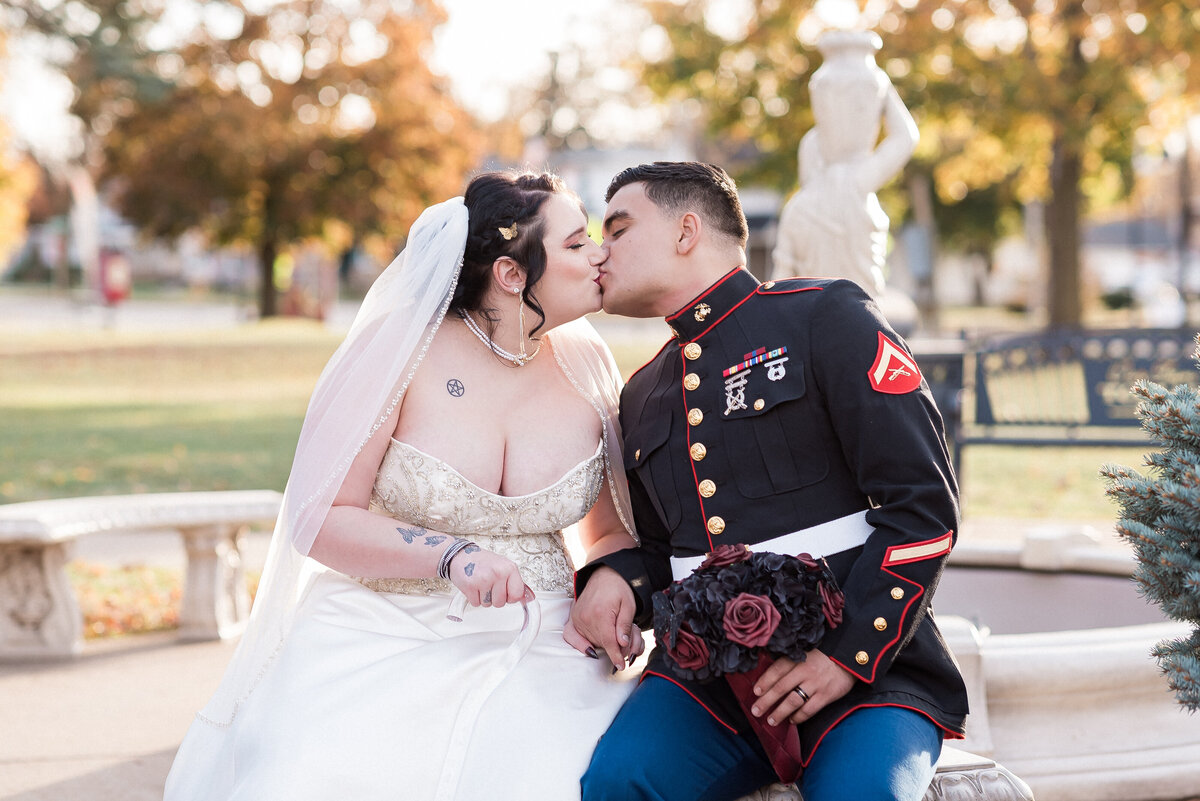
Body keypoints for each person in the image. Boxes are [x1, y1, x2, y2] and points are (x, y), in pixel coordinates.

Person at [164, 172, 642, 801]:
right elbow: (321, 516)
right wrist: (452, 556)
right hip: (386, 625)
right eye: (577, 244)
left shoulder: (589, 366)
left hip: (549, 639)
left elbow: (605, 529)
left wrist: (608, 583)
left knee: (553, 774)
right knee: (317, 773)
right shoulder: (399, 354)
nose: (599, 254)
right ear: (510, 274)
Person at [571, 162, 969, 801]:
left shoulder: (823, 317)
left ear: (686, 231)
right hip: (712, 688)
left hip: (865, 676)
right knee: (620, 782)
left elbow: (922, 508)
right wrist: (614, 579)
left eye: (616, 228)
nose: (599, 250)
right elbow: (663, 549)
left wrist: (846, 657)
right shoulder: (642, 393)